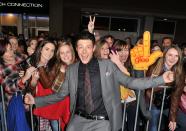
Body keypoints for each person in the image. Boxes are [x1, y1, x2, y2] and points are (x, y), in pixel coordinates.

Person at [25, 31, 174, 131]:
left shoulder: (107, 65)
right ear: (76, 48)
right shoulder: (72, 69)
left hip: (102, 123)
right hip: (77, 120)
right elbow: (60, 94)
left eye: (88, 47)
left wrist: (160, 79)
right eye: (81, 47)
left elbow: (131, 82)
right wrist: (36, 101)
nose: (84, 51)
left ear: (93, 48)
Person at [145, 45, 184, 131]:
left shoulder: (179, 71)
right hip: (153, 101)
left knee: (183, 123)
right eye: (170, 55)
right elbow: (148, 89)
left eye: (176, 56)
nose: (173, 58)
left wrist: (172, 118)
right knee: (153, 127)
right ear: (165, 54)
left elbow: (176, 95)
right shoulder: (154, 67)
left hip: (168, 103)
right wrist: (164, 80)